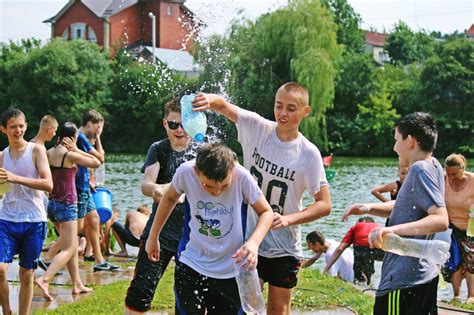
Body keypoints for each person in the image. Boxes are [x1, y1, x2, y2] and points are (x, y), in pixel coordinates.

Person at [193, 82, 331, 314]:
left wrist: (288, 219)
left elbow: (324, 204)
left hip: (283, 245)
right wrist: (208, 100)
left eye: (291, 109)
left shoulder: (308, 153)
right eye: (279, 106)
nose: (283, 114)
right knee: (243, 308)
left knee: (278, 310)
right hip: (246, 239)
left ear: (305, 111)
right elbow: (224, 106)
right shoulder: (258, 128)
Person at [146, 143, 274, 314]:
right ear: (197, 171)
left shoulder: (242, 177)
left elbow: (266, 212)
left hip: (231, 269)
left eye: (224, 186)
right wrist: (153, 237)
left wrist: (253, 243)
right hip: (191, 262)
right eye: (209, 186)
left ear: (232, 171)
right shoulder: (185, 172)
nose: (217, 192)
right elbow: (168, 199)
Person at [343, 112, 448, 315]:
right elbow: (408, 205)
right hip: (424, 275)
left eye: (396, 140)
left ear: (410, 141)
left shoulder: (419, 169)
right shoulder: (434, 165)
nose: (394, 147)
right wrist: (369, 208)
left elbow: (440, 219)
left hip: (404, 280)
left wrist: (391, 230)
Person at [124, 97, 198, 314]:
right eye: (173, 124)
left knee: (188, 303)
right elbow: (147, 183)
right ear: (165, 123)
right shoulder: (159, 149)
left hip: (192, 238)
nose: (179, 130)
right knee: (140, 294)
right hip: (160, 233)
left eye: (184, 124)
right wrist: (158, 190)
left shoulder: (202, 151)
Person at [35, 122, 99, 301]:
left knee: (68, 243)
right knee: (71, 247)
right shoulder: (70, 155)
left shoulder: (47, 153)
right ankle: (45, 278)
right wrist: (77, 149)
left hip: (53, 204)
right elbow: (97, 162)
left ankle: (77, 284)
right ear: (73, 138)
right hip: (68, 204)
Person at [0, 108, 53, 315]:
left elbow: (48, 184)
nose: (18, 130)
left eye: (21, 126)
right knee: (1, 270)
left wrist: (15, 178)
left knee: (26, 273)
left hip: (34, 220)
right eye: (13, 127)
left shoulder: (36, 150)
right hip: (6, 219)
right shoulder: (2, 157)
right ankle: (7, 311)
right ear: (3, 129)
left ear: (26, 126)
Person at [76, 109, 118, 271]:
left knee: (93, 221)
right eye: (98, 127)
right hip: (80, 187)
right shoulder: (80, 137)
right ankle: (51, 257)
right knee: (76, 228)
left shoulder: (85, 138)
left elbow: (100, 156)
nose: (100, 130)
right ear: (89, 124)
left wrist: (98, 137)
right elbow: (99, 159)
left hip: (86, 186)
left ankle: (99, 260)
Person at [443, 153, 474, 303]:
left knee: (470, 262)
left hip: (471, 228)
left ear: (463, 168)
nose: (451, 177)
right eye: (448, 173)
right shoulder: (443, 179)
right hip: (451, 227)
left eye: (454, 174)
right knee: (454, 261)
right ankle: (456, 296)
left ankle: (471, 297)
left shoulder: (472, 180)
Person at [324, 216, 383, 285]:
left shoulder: (355, 227)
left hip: (361, 250)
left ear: (364, 221)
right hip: (379, 250)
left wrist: (326, 268)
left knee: (359, 277)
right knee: (369, 262)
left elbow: (340, 248)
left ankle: (362, 285)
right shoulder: (379, 226)